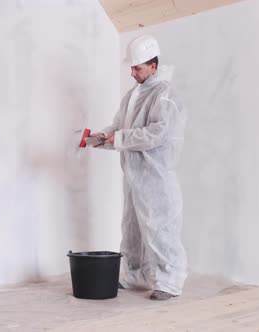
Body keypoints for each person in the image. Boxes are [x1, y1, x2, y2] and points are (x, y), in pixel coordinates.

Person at [92, 35, 188, 301]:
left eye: (138, 68)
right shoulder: (132, 95)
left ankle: (170, 281)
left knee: (160, 229)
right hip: (133, 175)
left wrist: (119, 139)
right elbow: (119, 125)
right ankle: (136, 275)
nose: (132, 72)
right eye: (131, 68)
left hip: (155, 176)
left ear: (153, 66)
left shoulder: (165, 95)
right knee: (132, 228)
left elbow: (158, 133)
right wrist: (103, 137)